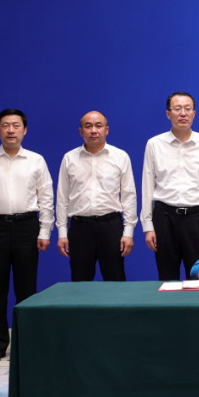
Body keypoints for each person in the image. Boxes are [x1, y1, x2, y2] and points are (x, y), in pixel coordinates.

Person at [0, 109, 53, 363]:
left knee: (27, 289)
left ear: (25, 130)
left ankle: (26, 344)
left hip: (27, 226)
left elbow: (46, 198)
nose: (11, 130)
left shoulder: (36, 160)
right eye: (5, 125)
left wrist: (45, 230)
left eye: (16, 125)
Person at [141, 92, 199, 281]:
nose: (183, 113)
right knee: (167, 278)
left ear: (194, 113)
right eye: (177, 109)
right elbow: (147, 186)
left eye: (187, 109)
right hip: (164, 218)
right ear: (168, 114)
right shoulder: (154, 144)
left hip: (197, 219)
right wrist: (148, 226)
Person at [55, 111, 137, 282]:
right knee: (79, 285)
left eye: (98, 126)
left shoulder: (120, 157)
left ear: (106, 130)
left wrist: (128, 232)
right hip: (79, 229)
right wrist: (62, 232)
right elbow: (62, 199)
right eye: (88, 126)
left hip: (111, 227)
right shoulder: (69, 158)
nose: (93, 130)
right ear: (81, 131)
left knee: (115, 282)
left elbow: (129, 197)